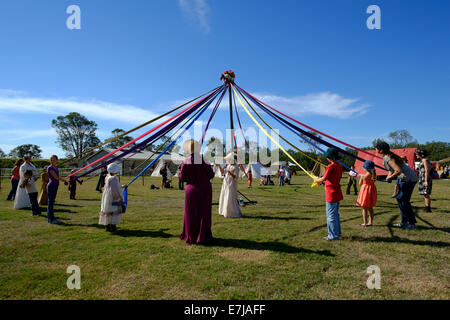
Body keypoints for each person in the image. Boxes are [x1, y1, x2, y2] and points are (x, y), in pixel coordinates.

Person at [179, 140, 215, 244]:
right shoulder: (204, 160)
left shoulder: (185, 161)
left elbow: (182, 177)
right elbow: (211, 174)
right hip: (204, 188)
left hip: (191, 189)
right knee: (204, 212)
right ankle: (203, 236)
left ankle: (191, 235)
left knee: (190, 213)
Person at [375, 141, 418, 229]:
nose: (375, 149)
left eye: (376, 148)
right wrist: (389, 176)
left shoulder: (388, 158)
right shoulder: (387, 157)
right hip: (406, 178)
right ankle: (404, 222)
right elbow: (391, 169)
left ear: (381, 150)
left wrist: (390, 177)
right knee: (400, 199)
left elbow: (398, 171)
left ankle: (412, 223)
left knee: (404, 201)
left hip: (408, 179)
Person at [313, 148, 343, 241]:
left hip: (331, 193)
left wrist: (315, 179)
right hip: (337, 192)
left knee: (331, 215)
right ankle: (337, 233)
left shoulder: (331, 167)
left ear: (330, 157)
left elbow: (323, 179)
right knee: (335, 214)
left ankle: (333, 236)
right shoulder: (339, 166)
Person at [99, 163, 124, 232]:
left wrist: (121, 186)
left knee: (108, 210)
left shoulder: (108, 177)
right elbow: (112, 190)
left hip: (107, 197)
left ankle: (108, 226)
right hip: (112, 197)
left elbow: (112, 186)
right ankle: (112, 226)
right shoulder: (113, 178)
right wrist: (118, 199)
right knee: (112, 210)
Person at [217, 152, 242, 218]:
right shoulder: (229, 165)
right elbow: (223, 173)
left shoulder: (236, 167)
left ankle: (232, 212)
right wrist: (219, 166)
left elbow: (235, 177)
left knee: (230, 197)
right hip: (226, 183)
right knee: (225, 196)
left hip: (231, 184)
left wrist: (230, 172)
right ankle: (224, 211)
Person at [47, 155, 67, 224]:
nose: (52, 161)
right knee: (50, 203)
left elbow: (58, 176)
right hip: (51, 186)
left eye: (54, 160)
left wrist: (63, 179)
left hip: (55, 186)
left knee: (52, 202)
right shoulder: (50, 168)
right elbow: (56, 177)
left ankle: (52, 218)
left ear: (57, 160)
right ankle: (51, 219)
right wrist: (64, 180)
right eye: (51, 160)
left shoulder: (56, 167)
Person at [357, 161, 377, 227]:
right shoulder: (373, 175)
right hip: (371, 192)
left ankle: (365, 223)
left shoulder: (364, 176)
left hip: (365, 192)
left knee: (364, 207)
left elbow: (360, 184)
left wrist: (360, 177)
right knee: (370, 208)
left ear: (366, 168)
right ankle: (370, 222)